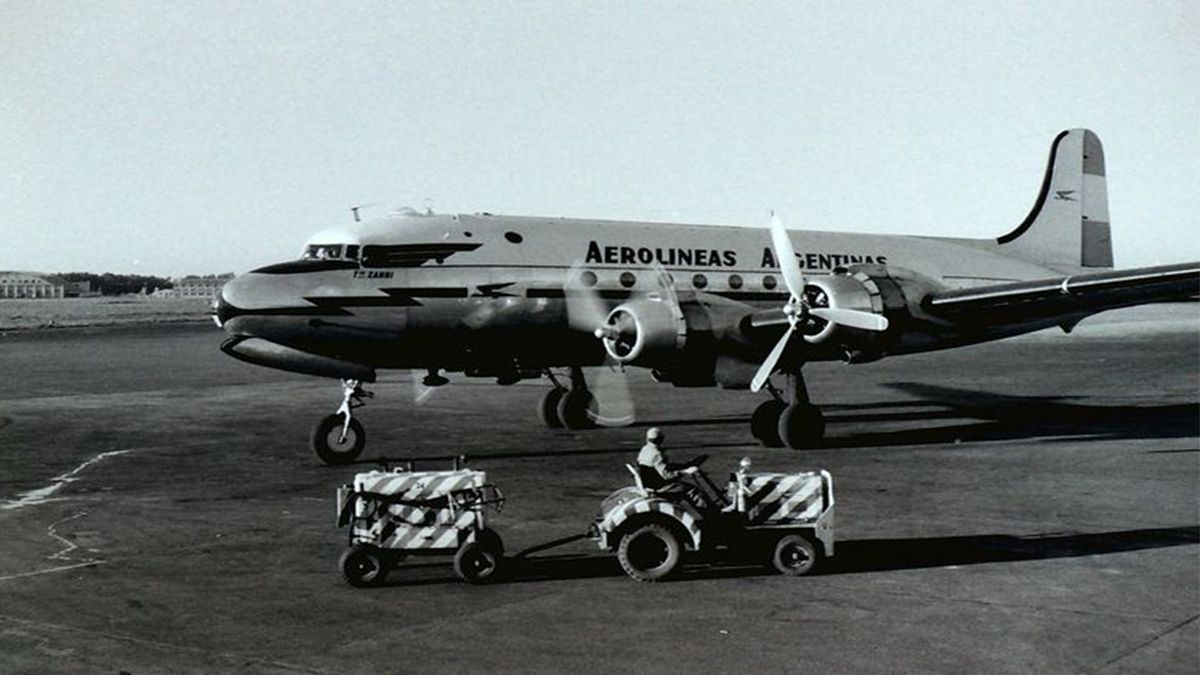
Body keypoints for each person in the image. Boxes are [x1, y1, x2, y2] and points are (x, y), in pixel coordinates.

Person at [635, 427, 698, 493]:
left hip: (647, 483)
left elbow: (657, 466)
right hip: (660, 486)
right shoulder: (657, 454)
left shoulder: (644, 449)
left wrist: (681, 466)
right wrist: (685, 472)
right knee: (693, 490)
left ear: (647, 439)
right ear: (661, 439)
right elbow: (666, 475)